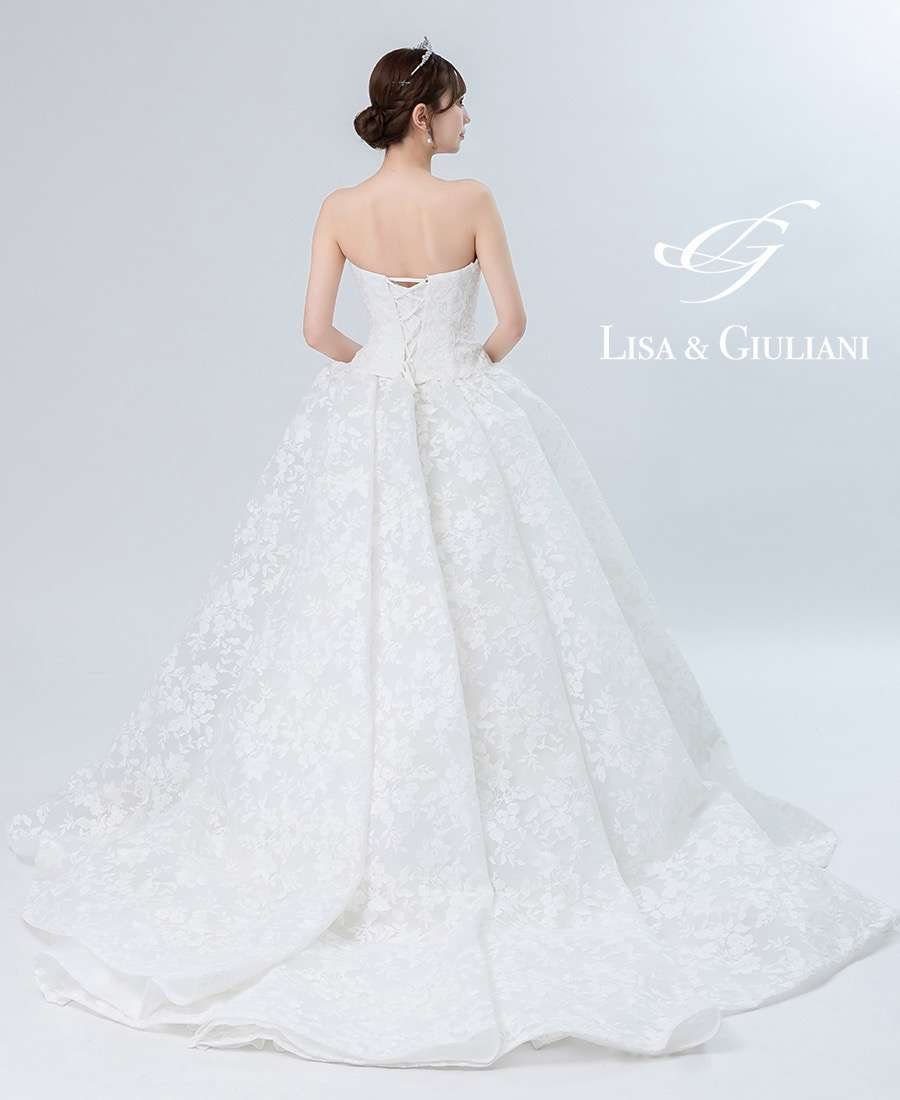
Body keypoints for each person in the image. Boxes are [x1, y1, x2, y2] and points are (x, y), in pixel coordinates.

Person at [8, 37, 900, 1070]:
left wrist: (383, 374)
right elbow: (513, 322)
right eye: (461, 104)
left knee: (357, 609)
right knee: (505, 614)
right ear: (425, 114)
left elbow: (315, 331)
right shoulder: (471, 200)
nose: (471, 119)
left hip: (368, 418)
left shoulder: (339, 207)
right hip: (469, 411)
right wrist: (455, 374)